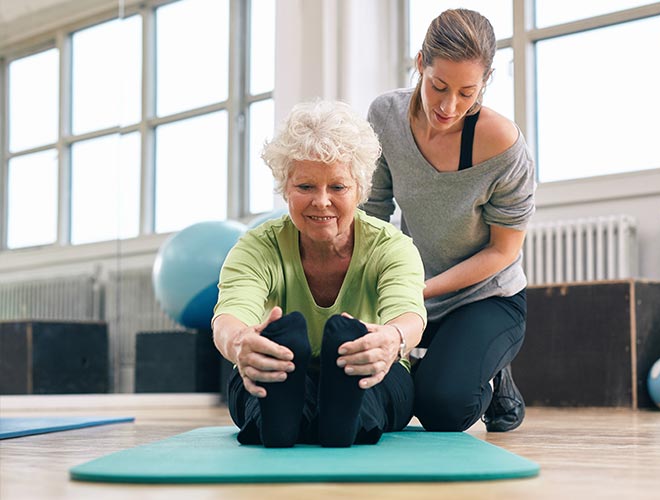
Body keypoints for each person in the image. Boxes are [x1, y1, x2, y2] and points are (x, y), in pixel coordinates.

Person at [212, 100, 427, 448]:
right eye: (306, 187)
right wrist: (241, 345)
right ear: (285, 189)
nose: (322, 201)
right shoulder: (256, 246)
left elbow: (409, 315)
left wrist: (391, 340)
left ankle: (329, 416)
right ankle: (298, 417)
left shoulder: (391, 246)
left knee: (365, 391)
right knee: (263, 383)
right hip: (279, 368)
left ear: (360, 190)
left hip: (369, 366)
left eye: (338, 188)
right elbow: (228, 317)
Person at [362, 8, 536, 433]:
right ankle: (448, 360)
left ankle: (492, 372)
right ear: (421, 63)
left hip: (486, 298)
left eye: (467, 92)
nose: (449, 105)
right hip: (413, 294)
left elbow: (503, 250)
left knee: (443, 409)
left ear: (485, 83)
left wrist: (419, 290)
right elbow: (373, 212)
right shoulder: (385, 116)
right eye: (438, 86)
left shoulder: (504, 145)